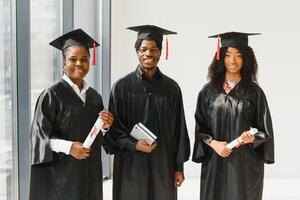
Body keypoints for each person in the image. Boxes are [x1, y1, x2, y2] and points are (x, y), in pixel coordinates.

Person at [29, 29, 114, 200]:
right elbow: (39, 138)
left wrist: (105, 127)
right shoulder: (52, 95)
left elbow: (98, 137)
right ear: (63, 63)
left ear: (90, 61)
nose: (79, 64)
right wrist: (69, 147)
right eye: (73, 59)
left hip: (90, 174)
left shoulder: (94, 96)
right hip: (62, 176)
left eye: (84, 59)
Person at [108, 25, 190, 200]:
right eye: (143, 49)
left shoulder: (171, 88)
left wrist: (179, 167)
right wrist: (133, 144)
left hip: (163, 163)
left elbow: (178, 130)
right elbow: (113, 129)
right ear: (137, 51)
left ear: (160, 52)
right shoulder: (121, 87)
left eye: (154, 49)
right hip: (130, 162)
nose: (148, 54)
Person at [192, 32, 275, 200]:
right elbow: (200, 126)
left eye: (238, 56)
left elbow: (265, 131)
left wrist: (252, 138)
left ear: (246, 59)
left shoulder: (254, 92)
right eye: (228, 55)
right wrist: (213, 143)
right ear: (221, 58)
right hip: (215, 161)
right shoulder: (208, 92)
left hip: (244, 165)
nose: (233, 61)